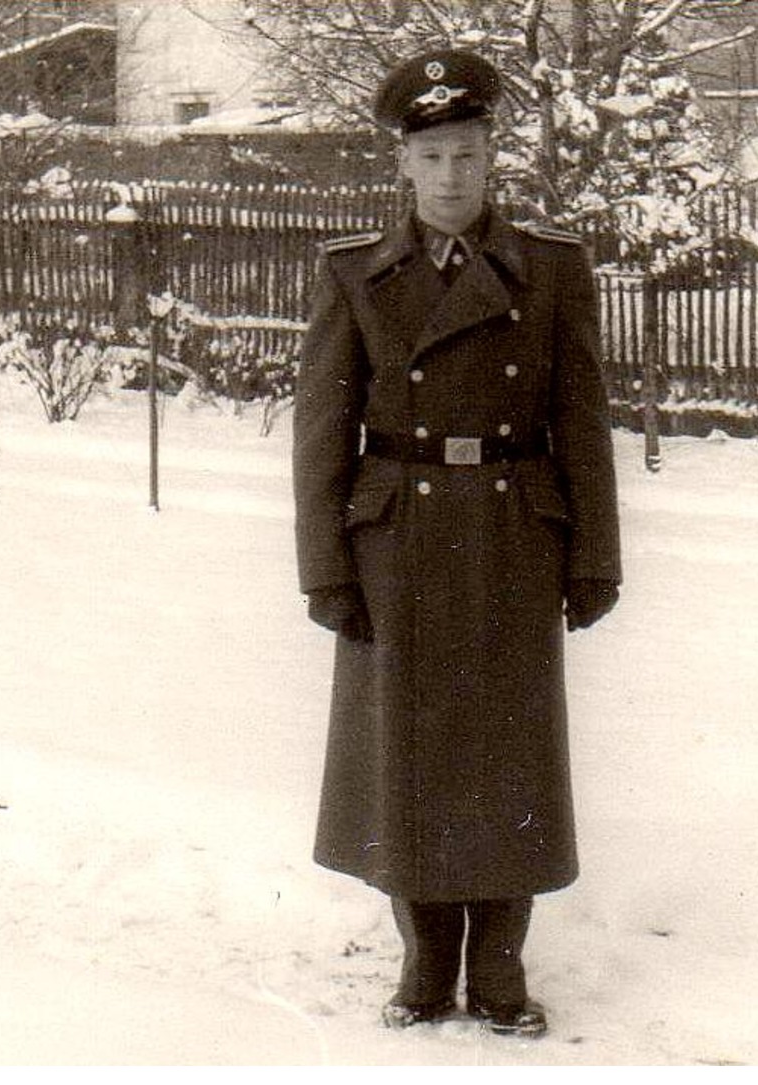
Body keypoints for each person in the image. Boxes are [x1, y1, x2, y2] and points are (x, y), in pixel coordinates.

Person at [292, 47, 621, 1039]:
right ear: (401, 162)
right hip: (397, 542)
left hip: (515, 532)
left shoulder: (552, 270)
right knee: (411, 751)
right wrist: (325, 565)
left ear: (492, 159)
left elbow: (582, 420)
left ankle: (503, 960)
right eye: (431, 156)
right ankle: (426, 952)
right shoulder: (355, 274)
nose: (449, 176)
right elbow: (319, 434)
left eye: (467, 155)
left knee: (508, 750)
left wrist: (593, 555)